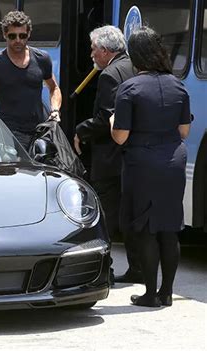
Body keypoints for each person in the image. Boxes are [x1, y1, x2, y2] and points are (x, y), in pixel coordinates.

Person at [110, 27, 192, 307]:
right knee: (169, 228)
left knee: (146, 229)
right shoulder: (177, 85)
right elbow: (184, 131)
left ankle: (149, 293)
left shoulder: (129, 88)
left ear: (135, 56)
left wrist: (112, 124)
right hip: (173, 160)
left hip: (142, 164)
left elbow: (120, 135)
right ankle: (167, 292)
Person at [74, 25, 141, 284]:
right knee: (131, 216)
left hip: (111, 158)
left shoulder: (109, 75)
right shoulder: (135, 66)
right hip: (132, 157)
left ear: (104, 50)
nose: (91, 55)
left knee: (106, 217)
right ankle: (138, 268)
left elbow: (106, 118)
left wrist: (81, 130)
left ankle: (104, 271)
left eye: (93, 49)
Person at [0, 10, 62, 150]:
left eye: (22, 36)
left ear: (28, 34)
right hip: (10, 133)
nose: (18, 40)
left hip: (39, 131)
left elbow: (54, 88)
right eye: (12, 36)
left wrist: (54, 111)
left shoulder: (42, 59)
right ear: (5, 35)